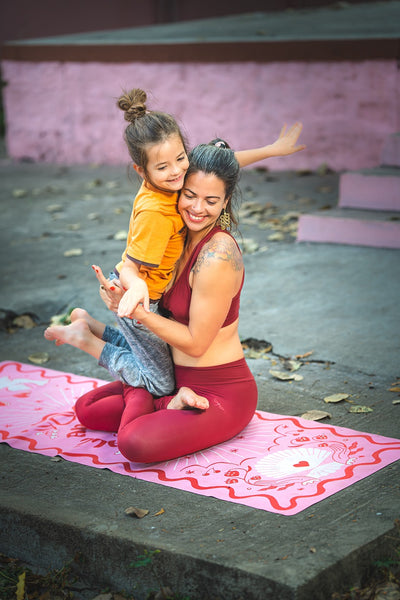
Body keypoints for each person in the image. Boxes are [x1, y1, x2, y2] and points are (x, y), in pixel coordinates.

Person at [45, 88, 305, 397]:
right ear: (142, 170)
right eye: (165, 167)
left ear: (184, 151)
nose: (178, 171)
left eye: (181, 159)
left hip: (143, 293)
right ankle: (87, 340)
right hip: (139, 295)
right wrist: (138, 289)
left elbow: (223, 164)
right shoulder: (156, 212)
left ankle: (89, 324)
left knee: (147, 353)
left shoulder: (176, 171)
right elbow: (129, 266)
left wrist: (271, 150)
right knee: (160, 382)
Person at [48, 140, 260, 463]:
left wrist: (136, 313)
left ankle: (160, 395)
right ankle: (166, 398)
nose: (197, 208)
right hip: (171, 380)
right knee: (86, 410)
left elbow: (196, 343)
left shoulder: (218, 255)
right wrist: (123, 295)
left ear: (226, 201)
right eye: (189, 195)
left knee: (133, 442)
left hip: (220, 394)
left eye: (211, 200)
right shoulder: (175, 236)